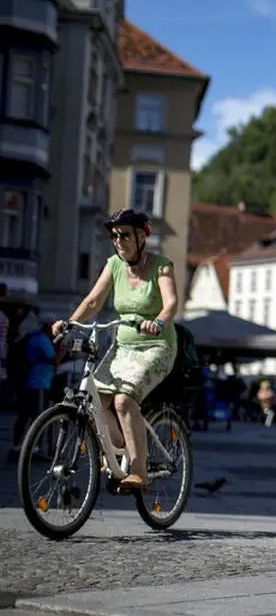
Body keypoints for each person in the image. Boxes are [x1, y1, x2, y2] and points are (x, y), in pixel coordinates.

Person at [52, 208, 179, 494]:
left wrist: (158, 321)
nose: (118, 241)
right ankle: (121, 449)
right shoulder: (114, 265)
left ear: (140, 237)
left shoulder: (162, 265)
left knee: (123, 401)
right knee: (97, 398)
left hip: (157, 346)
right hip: (122, 347)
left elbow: (171, 302)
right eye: (114, 236)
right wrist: (70, 323)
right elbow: (94, 300)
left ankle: (139, 472)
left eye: (124, 235)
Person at [8, 320, 60, 461]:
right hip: (40, 383)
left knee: (24, 415)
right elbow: (52, 358)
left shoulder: (32, 337)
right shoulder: (42, 339)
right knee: (39, 417)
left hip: (29, 382)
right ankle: (34, 449)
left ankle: (17, 447)